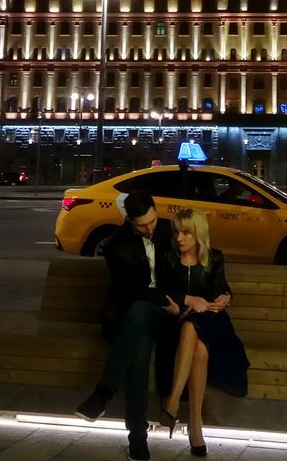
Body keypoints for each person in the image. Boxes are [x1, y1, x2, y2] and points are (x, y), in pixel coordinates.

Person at [75, 191, 179, 461]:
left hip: (169, 314)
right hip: (133, 314)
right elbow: (130, 291)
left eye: (153, 221)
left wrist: (175, 300)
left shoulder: (171, 231)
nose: (150, 228)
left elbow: (186, 272)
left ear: (157, 210)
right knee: (140, 345)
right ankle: (137, 437)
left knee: (140, 319)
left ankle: (104, 392)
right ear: (129, 221)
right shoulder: (116, 245)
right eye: (142, 225)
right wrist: (162, 299)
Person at [159, 208, 249, 458]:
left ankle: (174, 401)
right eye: (176, 232)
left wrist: (225, 298)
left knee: (194, 327)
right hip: (176, 324)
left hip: (212, 322)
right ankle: (195, 426)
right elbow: (161, 291)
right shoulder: (168, 258)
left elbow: (222, 288)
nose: (179, 238)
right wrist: (187, 300)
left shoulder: (215, 258)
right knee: (197, 345)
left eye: (186, 232)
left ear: (198, 233)